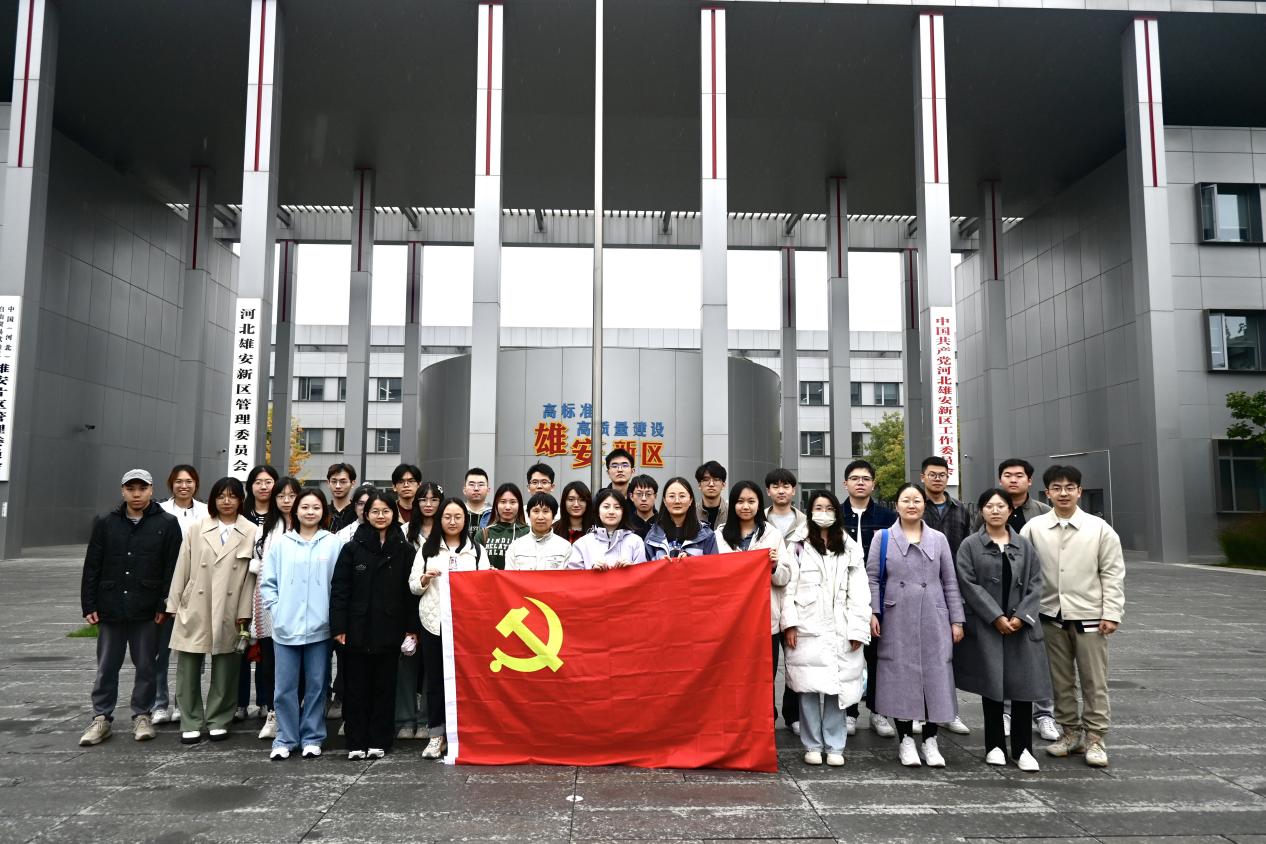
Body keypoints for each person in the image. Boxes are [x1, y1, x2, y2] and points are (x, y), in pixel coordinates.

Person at [1021, 465, 1124, 768]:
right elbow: (1023, 569)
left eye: (1069, 487)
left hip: (1090, 616)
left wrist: (1112, 612)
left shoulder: (1099, 529)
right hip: (1049, 616)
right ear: (1047, 493)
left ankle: (1095, 738)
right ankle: (1070, 733)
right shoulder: (1034, 528)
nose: (1063, 493)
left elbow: (1112, 573)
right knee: (1060, 681)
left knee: (1094, 681)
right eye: (1056, 488)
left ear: (1079, 491)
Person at [78, 469, 182, 746]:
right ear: (122, 491)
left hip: (148, 608)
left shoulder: (167, 523)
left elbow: (172, 568)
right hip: (111, 605)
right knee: (106, 666)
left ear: (151, 490)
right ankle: (101, 717)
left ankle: (142, 714)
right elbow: (92, 565)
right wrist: (89, 603)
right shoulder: (106, 522)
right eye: (131, 489)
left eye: (142, 488)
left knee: (146, 665)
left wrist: (164, 603)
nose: (136, 494)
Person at [867, 482, 965, 768]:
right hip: (896, 615)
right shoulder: (883, 537)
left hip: (934, 615)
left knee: (936, 675)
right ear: (896, 505)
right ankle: (906, 739)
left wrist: (956, 619)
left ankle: (931, 739)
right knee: (900, 676)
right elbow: (872, 577)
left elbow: (950, 580)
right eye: (906, 500)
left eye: (917, 500)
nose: (912, 505)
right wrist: (874, 612)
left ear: (924, 505)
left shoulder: (939, 538)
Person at [954, 488, 1052, 773]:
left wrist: (1022, 616)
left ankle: (1023, 749)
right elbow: (968, 583)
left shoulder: (1024, 545)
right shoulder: (970, 545)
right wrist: (994, 616)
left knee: (1023, 686)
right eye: (989, 506)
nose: (995, 511)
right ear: (981, 511)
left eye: (1001, 506)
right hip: (988, 627)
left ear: (1010, 510)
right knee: (992, 686)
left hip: (1021, 628)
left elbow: (1036, 583)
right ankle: (994, 745)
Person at [164, 476, 256, 745]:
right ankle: (190, 720)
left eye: (232, 496)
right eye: (220, 496)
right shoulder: (198, 527)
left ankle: (218, 719)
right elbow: (183, 565)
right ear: (213, 499)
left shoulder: (251, 530)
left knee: (226, 665)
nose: (226, 501)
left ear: (241, 500)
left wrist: (245, 610)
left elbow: (251, 577)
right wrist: (175, 603)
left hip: (231, 606)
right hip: (196, 603)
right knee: (189, 665)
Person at [781, 490, 870, 767]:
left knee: (837, 688)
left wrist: (858, 628)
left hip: (842, 627)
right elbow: (787, 588)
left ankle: (835, 745)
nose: (823, 513)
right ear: (809, 511)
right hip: (807, 626)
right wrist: (789, 624)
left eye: (829, 508)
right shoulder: (797, 544)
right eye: (818, 507)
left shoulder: (850, 546)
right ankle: (811, 744)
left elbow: (860, 591)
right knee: (807, 687)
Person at [330, 491, 420, 760]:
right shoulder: (352, 548)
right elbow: (340, 590)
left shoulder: (405, 550)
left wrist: (411, 629)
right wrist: (339, 626)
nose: (381, 516)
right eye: (375, 511)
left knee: (384, 687)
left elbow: (410, 594)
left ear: (394, 514)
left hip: (390, 628)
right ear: (366, 514)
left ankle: (380, 739)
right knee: (356, 687)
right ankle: (356, 741)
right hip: (356, 629)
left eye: (386, 511)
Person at [260, 488, 343, 760]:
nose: (310, 512)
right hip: (286, 628)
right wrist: (277, 610)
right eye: (305, 507)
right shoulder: (282, 544)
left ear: (323, 512)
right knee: (284, 687)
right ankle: (285, 738)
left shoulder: (333, 543)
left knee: (317, 686)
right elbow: (268, 583)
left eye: (316, 507)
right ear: (295, 511)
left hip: (320, 628)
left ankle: (312, 736)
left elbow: (339, 584)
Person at [986, 458, 1059, 742]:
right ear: (1000, 479)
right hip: (999, 599)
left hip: (1036, 597)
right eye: (1007, 475)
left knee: (1039, 660)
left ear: (1030, 481)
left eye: (1019, 475)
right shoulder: (990, 510)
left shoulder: (1043, 513)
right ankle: (1006, 712)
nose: (1013, 480)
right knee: (1003, 660)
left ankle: (1044, 714)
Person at [411, 498, 489, 760]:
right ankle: (436, 735)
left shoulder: (476, 551)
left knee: (467, 680)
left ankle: (465, 733)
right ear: (439, 519)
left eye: (458, 517)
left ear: (465, 520)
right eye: (447, 517)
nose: (453, 521)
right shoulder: (427, 550)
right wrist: (424, 578)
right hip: (434, 624)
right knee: (435, 681)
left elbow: (485, 587)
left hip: (467, 627)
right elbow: (413, 585)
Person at [715, 482, 792, 730]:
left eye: (751, 501)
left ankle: (764, 727)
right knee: (733, 676)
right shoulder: (719, 535)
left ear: (760, 504)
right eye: (740, 501)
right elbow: (713, 575)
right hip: (731, 622)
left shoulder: (772, 535)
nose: (745, 506)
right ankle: (735, 726)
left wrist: (774, 566)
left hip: (765, 621)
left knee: (764, 677)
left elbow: (785, 578)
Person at [839, 459, 898, 738]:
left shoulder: (888, 518)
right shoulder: (835, 515)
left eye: (865, 478)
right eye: (854, 478)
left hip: (879, 594)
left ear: (873, 484)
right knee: (849, 655)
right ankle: (849, 712)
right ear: (845, 484)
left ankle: (878, 711)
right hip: (844, 595)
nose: (860, 483)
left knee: (877, 656)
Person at [918, 456, 974, 736]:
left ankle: (949, 711)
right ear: (923, 477)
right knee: (919, 651)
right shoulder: (916, 506)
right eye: (932, 474)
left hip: (951, 587)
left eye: (942, 474)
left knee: (948, 654)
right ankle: (919, 710)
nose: (937, 478)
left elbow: (968, 547)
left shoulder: (960, 510)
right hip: (921, 586)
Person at [153, 465, 209, 726]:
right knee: (160, 651)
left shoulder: (206, 512)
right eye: (178, 481)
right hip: (165, 586)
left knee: (192, 650)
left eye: (188, 481)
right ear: (170, 484)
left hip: (196, 587)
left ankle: (184, 703)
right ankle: (159, 703)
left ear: (196, 484)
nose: (183, 486)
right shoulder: (159, 511)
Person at [247, 476, 301, 739]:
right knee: (271, 661)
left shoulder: (309, 525)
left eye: (292, 495)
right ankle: (273, 712)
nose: (287, 501)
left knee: (301, 665)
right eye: (281, 496)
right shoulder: (266, 530)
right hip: (271, 606)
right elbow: (257, 568)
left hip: (303, 606)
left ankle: (297, 712)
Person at [764, 467, 809, 736]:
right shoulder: (759, 521)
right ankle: (767, 712)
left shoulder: (806, 524)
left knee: (795, 660)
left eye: (786, 486)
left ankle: (793, 714)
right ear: (768, 491)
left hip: (797, 599)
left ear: (794, 490)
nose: (781, 490)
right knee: (766, 664)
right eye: (776, 486)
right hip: (768, 600)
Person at [396, 480, 441, 740]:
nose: (428, 504)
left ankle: (426, 719)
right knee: (407, 661)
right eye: (423, 499)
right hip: (406, 601)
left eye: (434, 499)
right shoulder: (404, 531)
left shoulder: (446, 529)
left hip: (434, 603)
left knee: (432, 664)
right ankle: (405, 718)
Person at [567, 489, 647, 569]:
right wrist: (591, 572)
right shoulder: (582, 544)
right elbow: (574, 575)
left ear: (623, 512)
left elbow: (643, 574)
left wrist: (632, 569)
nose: (611, 512)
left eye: (617, 507)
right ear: (598, 511)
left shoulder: (636, 542)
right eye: (606, 507)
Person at [644, 477, 718, 559]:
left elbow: (714, 564)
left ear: (690, 500)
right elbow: (644, 565)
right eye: (672, 496)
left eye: (682, 496)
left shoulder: (706, 535)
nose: (677, 501)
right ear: (664, 501)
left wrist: (690, 560)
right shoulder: (653, 535)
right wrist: (660, 563)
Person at [506, 493, 573, 570]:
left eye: (545, 511)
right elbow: (508, 576)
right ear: (528, 515)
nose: (540, 517)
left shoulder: (565, 547)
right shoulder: (515, 547)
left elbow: (569, 576)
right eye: (536, 511)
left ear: (553, 515)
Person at [481, 483, 529, 570]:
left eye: (513, 502)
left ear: (519, 505)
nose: (507, 507)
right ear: (496, 504)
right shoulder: (483, 533)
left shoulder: (527, 532)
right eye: (503, 502)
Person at [326, 463, 358, 532]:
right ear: (328, 483)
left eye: (343, 482)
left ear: (353, 483)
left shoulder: (358, 512)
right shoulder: (322, 512)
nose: (338, 486)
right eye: (334, 481)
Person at [695, 460, 728, 529]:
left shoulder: (732, 512)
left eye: (716, 479)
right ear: (699, 485)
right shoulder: (691, 512)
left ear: (723, 485)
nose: (711, 484)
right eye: (706, 480)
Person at [462, 467, 492, 538]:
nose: (476, 488)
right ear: (464, 490)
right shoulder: (457, 512)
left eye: (481, 485)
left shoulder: (495, 514)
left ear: (488, 490)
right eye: (471, 484)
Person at [627, 474, 659, 539]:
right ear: (631, 496)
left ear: (655, 496)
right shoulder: (626, 525)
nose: (643, 498)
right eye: (639, 494)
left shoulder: (662, 523)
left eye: (648, 494)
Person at [392, 463, 422, 528]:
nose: (406, 485)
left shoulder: (426, 510)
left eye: (411, 481)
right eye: (401, 481)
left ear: (419, 485)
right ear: (394, 487)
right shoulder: (389, 511)